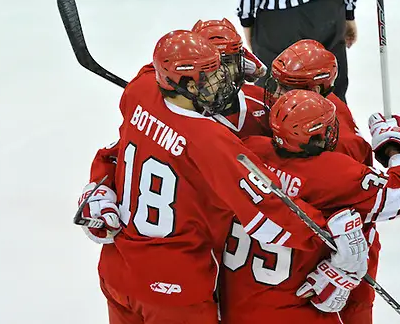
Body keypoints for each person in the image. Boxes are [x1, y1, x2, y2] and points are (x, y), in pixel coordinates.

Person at [77, 30, 369, 324]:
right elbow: (266, 209)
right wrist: (329, 235)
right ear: (187, 82)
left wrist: (98, 187)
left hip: (117, 272)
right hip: (176, 289)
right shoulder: (211, 141)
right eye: (211, 73)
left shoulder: (140, 92)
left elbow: (118, 148)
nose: (222, 79)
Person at [220, 90, 400, 324]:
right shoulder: (334, 173)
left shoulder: (249, 148)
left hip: (236, 299)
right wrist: (396, 151)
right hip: (294, 306)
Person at [237, 0, 360, 102]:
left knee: (275, 96)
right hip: (329, 7)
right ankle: (334, 127)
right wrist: (349, 11)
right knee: (329, 87)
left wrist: (247, 21)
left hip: (280, 18)